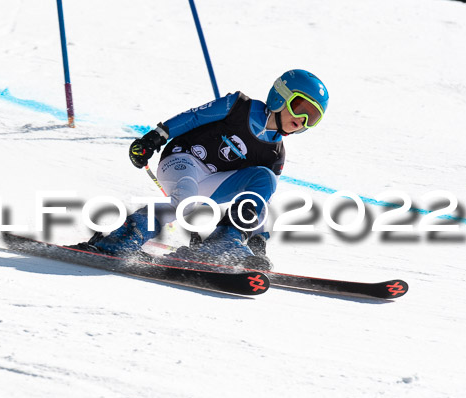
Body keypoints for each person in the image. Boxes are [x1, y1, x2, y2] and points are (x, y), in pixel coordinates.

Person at [79, 69, 329, 269]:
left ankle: (223, 242)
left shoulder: (275, 154)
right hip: (181, 160)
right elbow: (194, 117)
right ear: (280, 96)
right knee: (186, 199)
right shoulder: (238, 106)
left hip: (213, 183)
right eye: (301, 108)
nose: (302, 121)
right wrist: (154, 138)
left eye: (312, 118)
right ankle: (122, 238)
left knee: (265, 178)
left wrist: (257, 239)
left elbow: (259, 202)